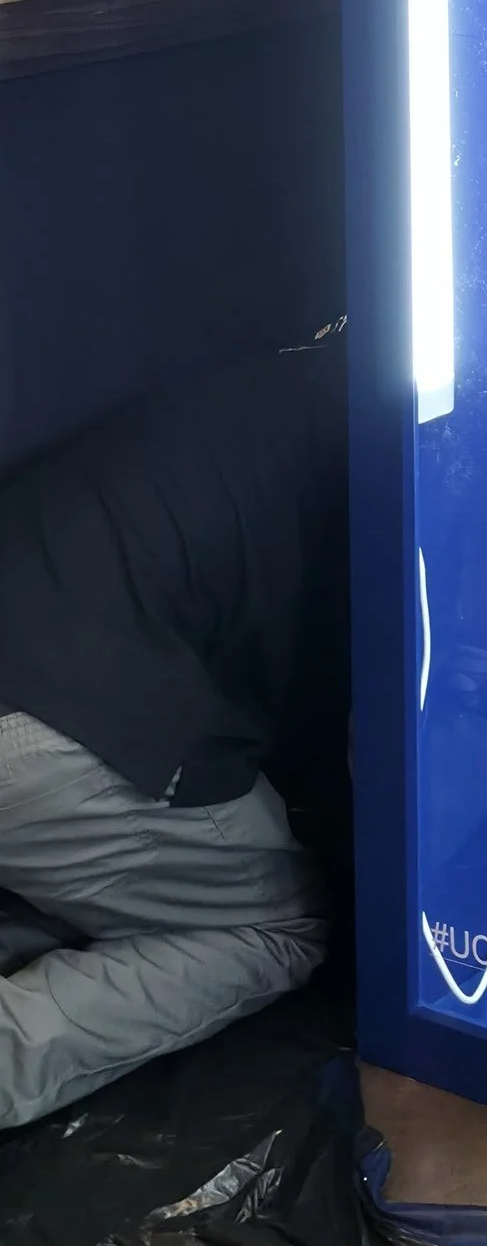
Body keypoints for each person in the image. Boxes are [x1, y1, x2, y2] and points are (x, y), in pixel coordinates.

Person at [0, 329, 346, 1129]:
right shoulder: (410, 442)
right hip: (52, 726)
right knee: (278, 926)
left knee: (129, 879)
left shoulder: (285, 382)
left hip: (38, 680)